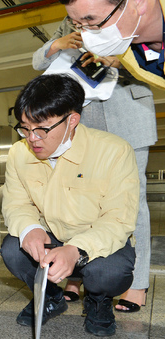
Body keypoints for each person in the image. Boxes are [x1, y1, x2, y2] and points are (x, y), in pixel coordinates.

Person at [32, 17, 156, 312]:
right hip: (80, 117)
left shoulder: (135, 13)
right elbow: (38, 60)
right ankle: (75, 278)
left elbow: (155, 61)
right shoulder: (70, 21)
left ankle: (136, 284)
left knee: (133, 202)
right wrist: (57, 44)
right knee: (78, 195)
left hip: (129, 114)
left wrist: (124, 61)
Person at [0, 74, 139, 337]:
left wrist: (76, 250)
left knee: (108, 272)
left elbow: (119, 218)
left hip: (97, 239)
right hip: (52, 234)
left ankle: (98, 301)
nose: (32, 138)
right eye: (25, 128)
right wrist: (30, 228)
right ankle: (51, 296)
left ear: (72, 120)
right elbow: (17, 203)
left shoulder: (114, 151)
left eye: (42, 129)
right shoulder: (19, 153)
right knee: (13, 248)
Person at [61, 0, 165, 89]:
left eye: (91, 21)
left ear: (138, 2)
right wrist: (121, 65)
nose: (85, 35)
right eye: (77, 24)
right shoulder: (126, 41)